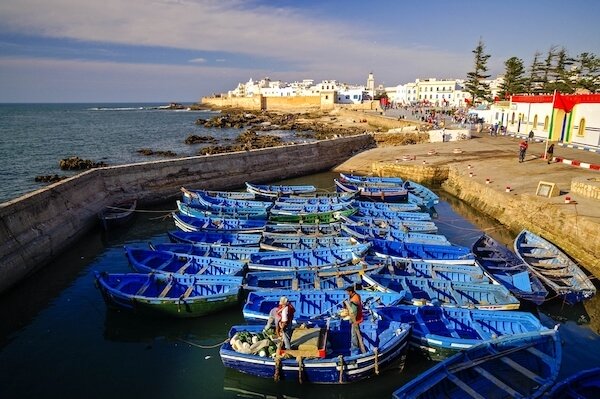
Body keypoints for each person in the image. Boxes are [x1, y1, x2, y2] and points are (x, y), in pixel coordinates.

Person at [344, 286, 364, 355]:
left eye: (347, 292)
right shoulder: (357, 295)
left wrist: (352, 320)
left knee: (353, 334)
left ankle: (354, 347)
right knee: (354, 333)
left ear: (351, 292)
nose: (347, 293)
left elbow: (354, 311)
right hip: (359, 316)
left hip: (356, 319)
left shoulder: (354, 300)